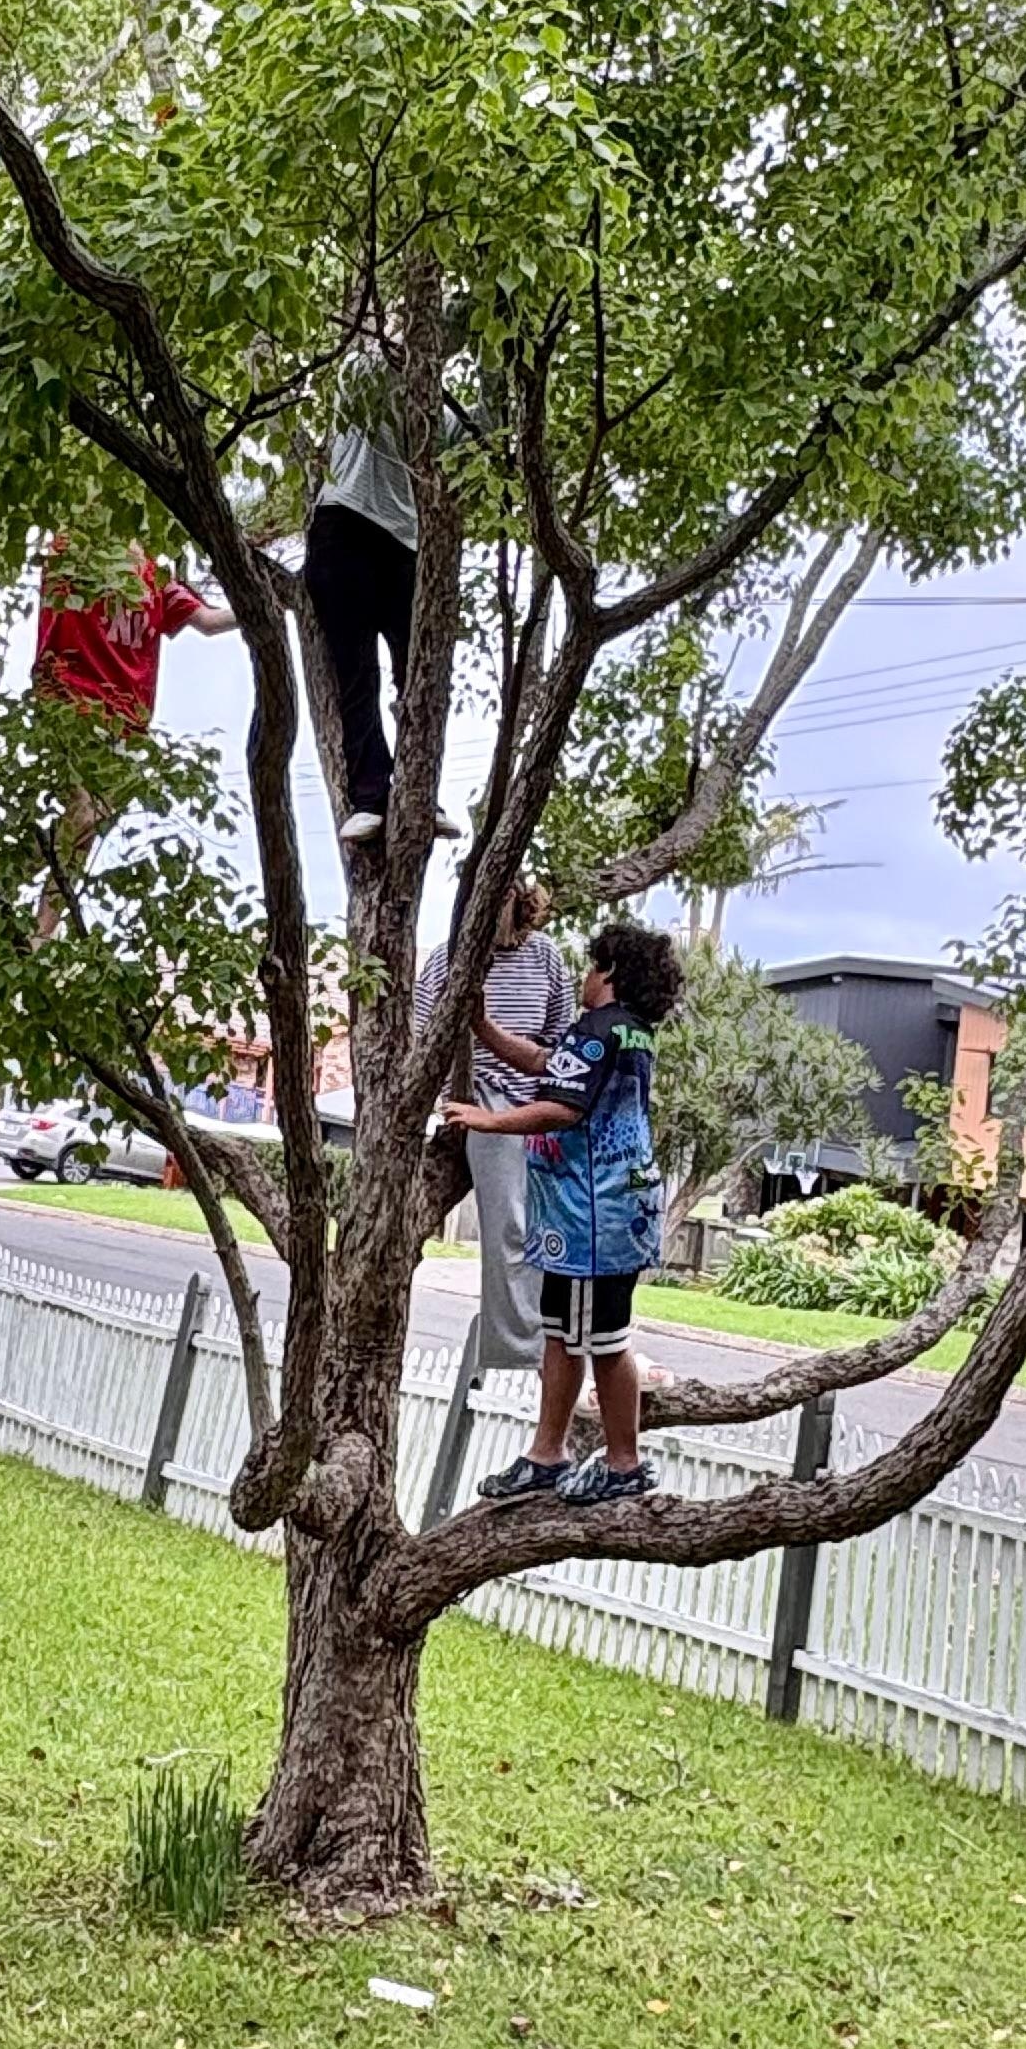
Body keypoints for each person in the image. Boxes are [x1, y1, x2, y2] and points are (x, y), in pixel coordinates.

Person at [445, 918, 686, 1507]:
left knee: (602, 1340)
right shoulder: (626, 1032)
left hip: (591, 1219)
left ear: (610, 972)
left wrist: (488, 1120)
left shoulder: (598, 1031)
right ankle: (546, 1454)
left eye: (592, 964)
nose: (584, 975)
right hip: (602, 1215)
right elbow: (544, 1062)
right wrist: (483, 1027)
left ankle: (622, 1463)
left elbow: (561, 1108)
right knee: (563, 1335)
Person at [29, 537, 236, 931]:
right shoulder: (75, 550)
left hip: (126, 724)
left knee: (85, 830)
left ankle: (39, 934)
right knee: (83, 814)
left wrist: (272, 601)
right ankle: (7, 881)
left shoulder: (155, 578)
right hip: (71, 702)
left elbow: (208, 623)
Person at [412, 877, 575, 1372]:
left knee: (553, 1228)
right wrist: (447, 1101)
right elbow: (422, 1035)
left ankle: (555, 1335)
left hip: (537, 1102)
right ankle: (522, 1350)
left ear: (519, 900)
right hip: (481, 1096)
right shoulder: (448, 960)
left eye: (504, 895)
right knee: (511, 1225)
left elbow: (561, 1041)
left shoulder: (545, 956)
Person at [303, 360, 420, 848]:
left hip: (404, 541)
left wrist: (499, 359)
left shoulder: (434, 405)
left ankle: (416, 792)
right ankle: (370, 796)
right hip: (345, 523)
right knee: (356, 671)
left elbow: (480, 429)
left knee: (418, 674)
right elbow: (373, 361)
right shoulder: (364, 367)